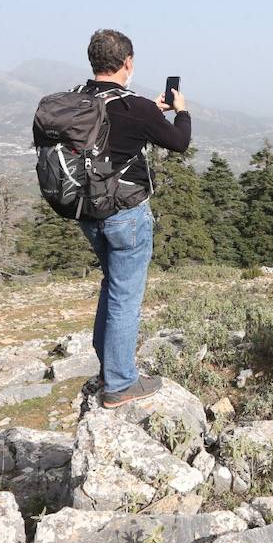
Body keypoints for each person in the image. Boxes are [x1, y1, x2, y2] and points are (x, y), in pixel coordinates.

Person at [72, 28, 190, 408]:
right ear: (128, 62)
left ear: (93, 62)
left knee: (114, 285)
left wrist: (151, 111)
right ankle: (121, 383)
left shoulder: (77, 101)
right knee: (126, 295)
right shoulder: (132, 106)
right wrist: (182, 111)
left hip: (88, 212)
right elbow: (179, 142)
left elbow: (107, 137)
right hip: (125, 214)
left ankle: (110, 366)